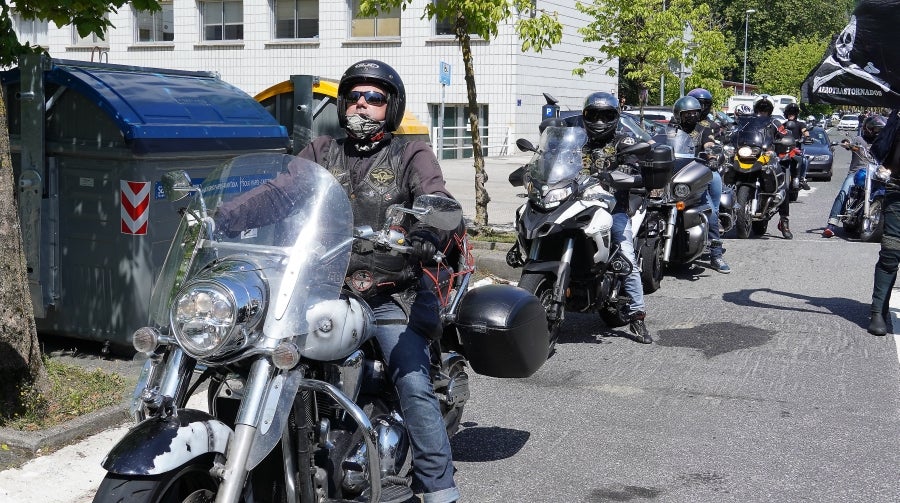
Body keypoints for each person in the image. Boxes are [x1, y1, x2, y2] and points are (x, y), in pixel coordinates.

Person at [216, 60, 461, 503]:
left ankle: (439, 487)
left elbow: (436, 197)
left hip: (389, 292)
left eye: (375, 98)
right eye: (354, 97)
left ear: (392, 107)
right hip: (321, 288)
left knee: (412, 381)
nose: (362, 106)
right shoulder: (321, 150)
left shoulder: (411, 152)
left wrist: (427, 231)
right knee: (258, 354)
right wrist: (223, 217)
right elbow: (280, 192)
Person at [581, 91, 653, 343]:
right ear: (586, 116)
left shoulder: (624, 142)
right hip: (577, 206)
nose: (600, 121)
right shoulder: (578, 141)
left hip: (614, 210)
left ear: (615, 117)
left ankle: (637, 316)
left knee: (626, 260)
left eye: (606, 115)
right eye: (594, 115)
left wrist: (629, 174)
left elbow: (638, 166)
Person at [670, 95, 731, 273]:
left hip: (697, 176)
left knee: (710, 211)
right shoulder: (670, 129)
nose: (691, 117)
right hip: (674, 177)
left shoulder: (703, 129)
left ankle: (716, 254)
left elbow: (709, 144)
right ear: (678, 114)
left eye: (694, 113)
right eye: (686, 114)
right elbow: (659, 144)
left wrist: (712, 156)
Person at [823, 114, 886, 237]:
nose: (878, 133)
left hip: (877, 173)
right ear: (868, 128)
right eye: (876, 129)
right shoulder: (859, 140)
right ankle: (832, 224)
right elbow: (849, 142)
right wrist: (847, 144)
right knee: (844, 192)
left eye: (880, 130)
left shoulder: (883, 144)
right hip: (857, 172)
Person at [868, 108, 900, 336]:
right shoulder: (897, 116)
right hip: (897, 193)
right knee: (890, 253)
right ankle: (878, 311)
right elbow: (879, 149)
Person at [753, 97, 794, 239]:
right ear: (755, 109)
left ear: (770, 110)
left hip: (768, 157)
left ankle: (784, 221)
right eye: (760, 109)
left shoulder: (775, 122)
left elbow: (784, 133)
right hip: (749, 157)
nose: (763, 112)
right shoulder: (749, 122)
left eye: (766, 109)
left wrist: (784, 139)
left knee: (783, 186)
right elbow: (736, 132)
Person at [780, 103, 813, 190]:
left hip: (795, 149)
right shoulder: (783, 125)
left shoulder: (800, 124)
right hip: (784, 150)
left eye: (793, 113)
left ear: (796, 114)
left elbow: (805, 131)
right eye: (790, 113)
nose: (791, 115)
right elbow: (778, 134)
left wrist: (808, 137)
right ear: (786, 114)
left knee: (804, 160)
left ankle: (801, 179)